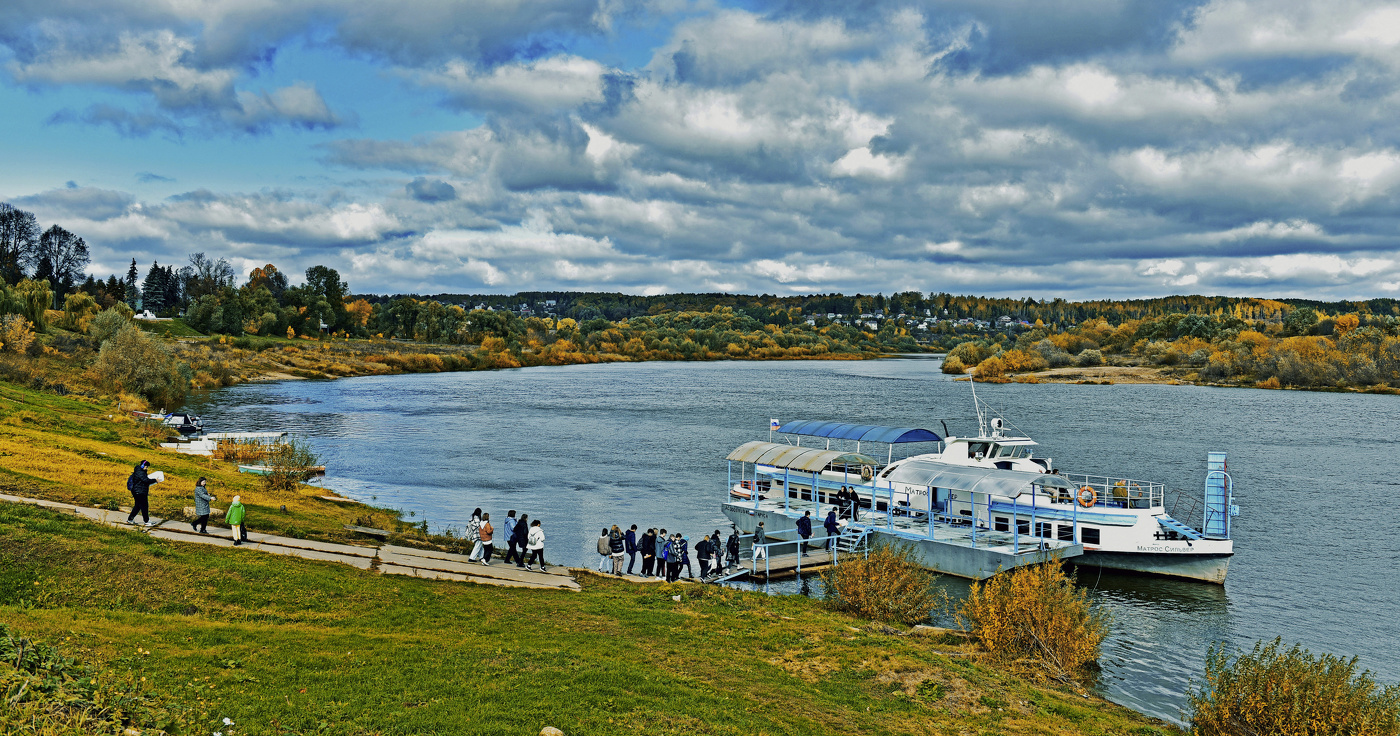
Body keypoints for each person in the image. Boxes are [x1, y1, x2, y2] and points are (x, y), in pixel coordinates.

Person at [126, 460, 155, 526]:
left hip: (137, 491)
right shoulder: (140, 472)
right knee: (144, 506)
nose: (147, 468)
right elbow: (146, 480)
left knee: (138, 506)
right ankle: (146, 521)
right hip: (140, 492)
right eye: (146, 467)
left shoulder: (139, 471)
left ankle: (130, 519)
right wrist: (155, 480)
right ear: (142, 466)